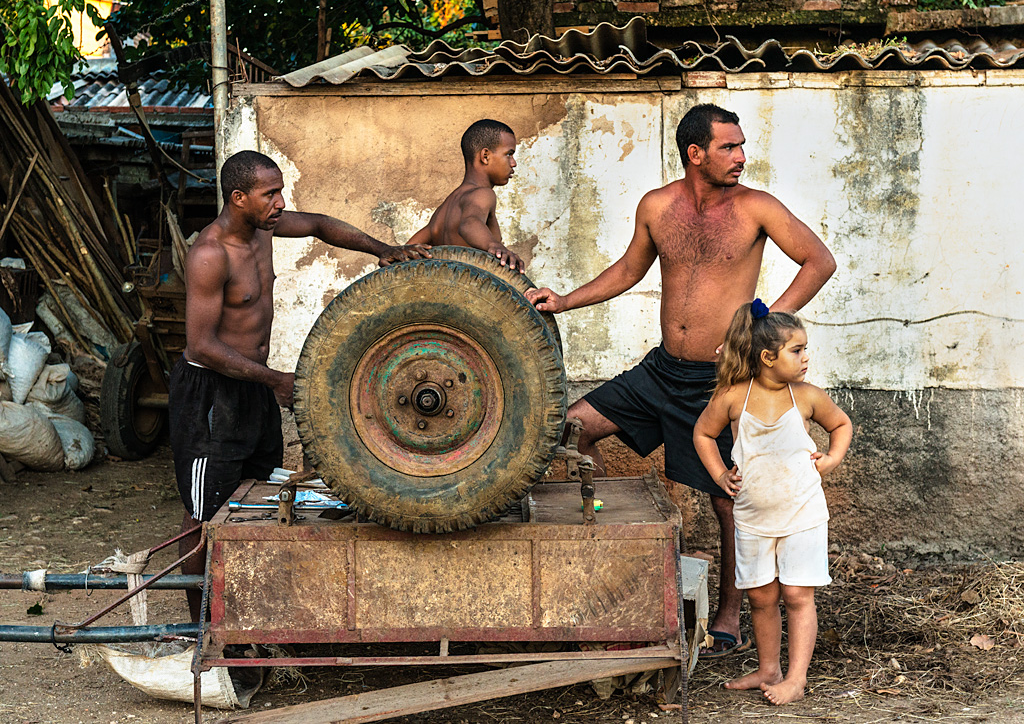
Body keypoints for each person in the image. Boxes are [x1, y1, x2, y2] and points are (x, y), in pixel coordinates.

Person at [525, 103, 837, 657]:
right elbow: (628, 269)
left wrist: (759, 327)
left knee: (729, 498)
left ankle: (731, 612)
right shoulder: (658, 206)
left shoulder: (756, 208)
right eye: (728, 147)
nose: (742, 157)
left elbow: (819, 261)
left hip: (723, 380)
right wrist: (566, 300)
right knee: (573, 429)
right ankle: (616, 553)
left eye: (742, 146)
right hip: (661, 371)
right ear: (696, 154)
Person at [170, 150, 430, 621]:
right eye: (270, 194)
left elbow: (320, 224)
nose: (280, 202)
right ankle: (199, 627)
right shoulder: (210, 254)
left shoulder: (264, 230)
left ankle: (246, 616)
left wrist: (381, 250)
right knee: (203, 515)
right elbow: (203, 345)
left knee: (259, 498)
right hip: (209, 397)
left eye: (280, 190)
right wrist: (278, 380)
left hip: (253, 388)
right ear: (238, 197)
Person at [693, 301, 852, 704]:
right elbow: (703, 434)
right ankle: (768, 668)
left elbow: (841, 424)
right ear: (767, 357)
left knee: (798, 596)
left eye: (804, 349)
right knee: (761, 597)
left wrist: (831, 459)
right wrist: (718, 474)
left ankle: (795, 679)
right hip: (752, 517)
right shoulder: (734, 397)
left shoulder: (807, 397)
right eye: (796, 350)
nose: (805, 357)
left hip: (802, 515)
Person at [407, 119, 525, 273]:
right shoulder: (483, 194)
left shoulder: (444, 209)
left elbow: (407, 251)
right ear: (485, 156)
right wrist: (495, 246)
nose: (513, 163)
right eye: (509, 154)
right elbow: (469, 224)